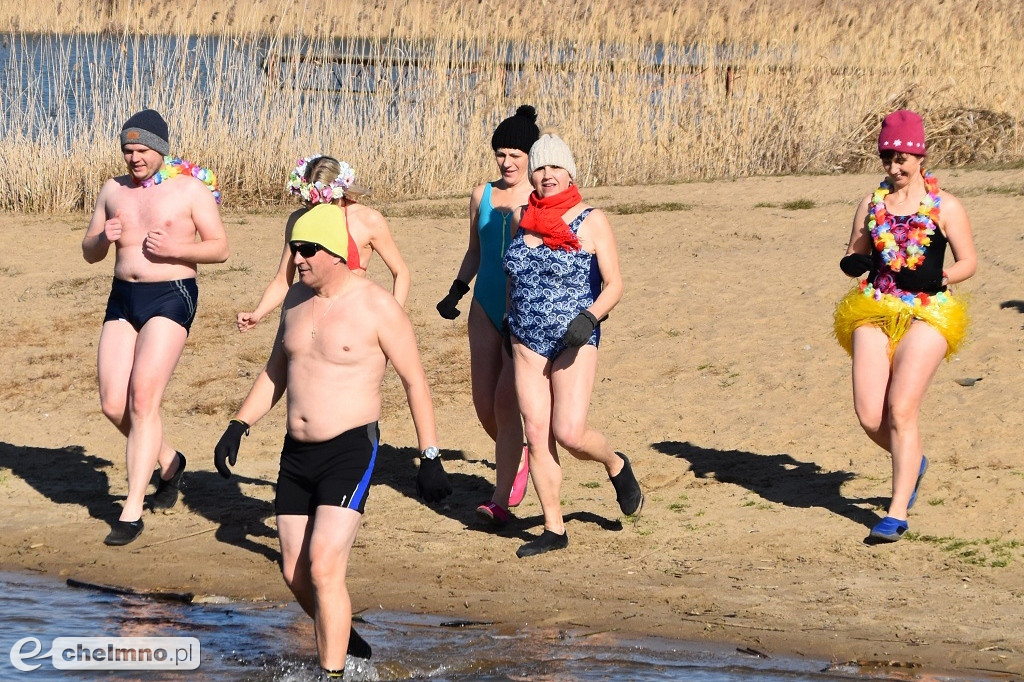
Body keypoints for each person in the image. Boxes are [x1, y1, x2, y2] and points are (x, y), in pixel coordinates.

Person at [213, 203, 452, 678]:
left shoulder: (377, 306)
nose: (296, 259)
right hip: (295, 453)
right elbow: (275, 371)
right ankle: (341, 630)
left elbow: (415, 381)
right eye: (294, 249)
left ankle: (332, 674)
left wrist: (429, 456)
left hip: (349, 449)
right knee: (294, 573)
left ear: (336, 254)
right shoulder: (296, 301)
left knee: (323, 567)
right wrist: (238, 425)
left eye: (306, 250)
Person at [81, 109, 228, 546]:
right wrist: (101, 238)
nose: (134, 158)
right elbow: (89, 253)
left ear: (160, 149)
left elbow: (219, 248)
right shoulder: (113, 190)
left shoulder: (189, 190)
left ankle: (131, 509)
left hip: (171, 296)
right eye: (128, 151)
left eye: (142, 150)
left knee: (143, 398)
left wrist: (176, 247)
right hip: (122, 298)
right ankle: (168, 460)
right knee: (113, 404)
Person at [834, 109, 976, 543]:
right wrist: (854, 261)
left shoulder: (945, 205)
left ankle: (896, 512)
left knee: (901, 409)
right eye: (887, 159)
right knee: (869, 414)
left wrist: (942, 277)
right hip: (873, 307)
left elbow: (969, 262)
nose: (894, 168)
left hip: (929, 311)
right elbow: (854, 251)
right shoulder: (872, 203)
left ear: (919, 157)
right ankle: (914, 460)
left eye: (901, 159)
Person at [503, 132, 643, 558]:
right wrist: (510, 320)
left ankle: (615, 463)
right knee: (536, 433)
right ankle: (553, 527)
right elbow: (513, 276)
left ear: (570, 172)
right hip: (525, 339)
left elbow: (615, 284)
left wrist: (590, 317)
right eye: (540, 168)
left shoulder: (592, 219)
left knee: (569, 432)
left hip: (574, 338)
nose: (546, 175)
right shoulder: (520, 217)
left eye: (555, 168)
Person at [436, 105, 538, 525]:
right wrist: (456, 290)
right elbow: (476, 250)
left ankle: (512, 466)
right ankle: (519, 451)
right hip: (483, 305)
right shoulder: (481, 194)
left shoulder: (539, 197)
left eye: (516, 154)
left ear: (531, 156)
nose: (507, 161)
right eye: (501, 153)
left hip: (522, 309)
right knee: (483, 405)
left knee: (505, 395)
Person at [237, 155, 409, 332]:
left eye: (326, 201)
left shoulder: (368, 220)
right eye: (313, 202)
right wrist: (258, 313)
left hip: (352, 317)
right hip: (308, 314)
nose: (319, 208)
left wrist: (394, 317)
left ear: (339, 190)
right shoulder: (298, 220)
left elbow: (400, 271)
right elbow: (282, 280)